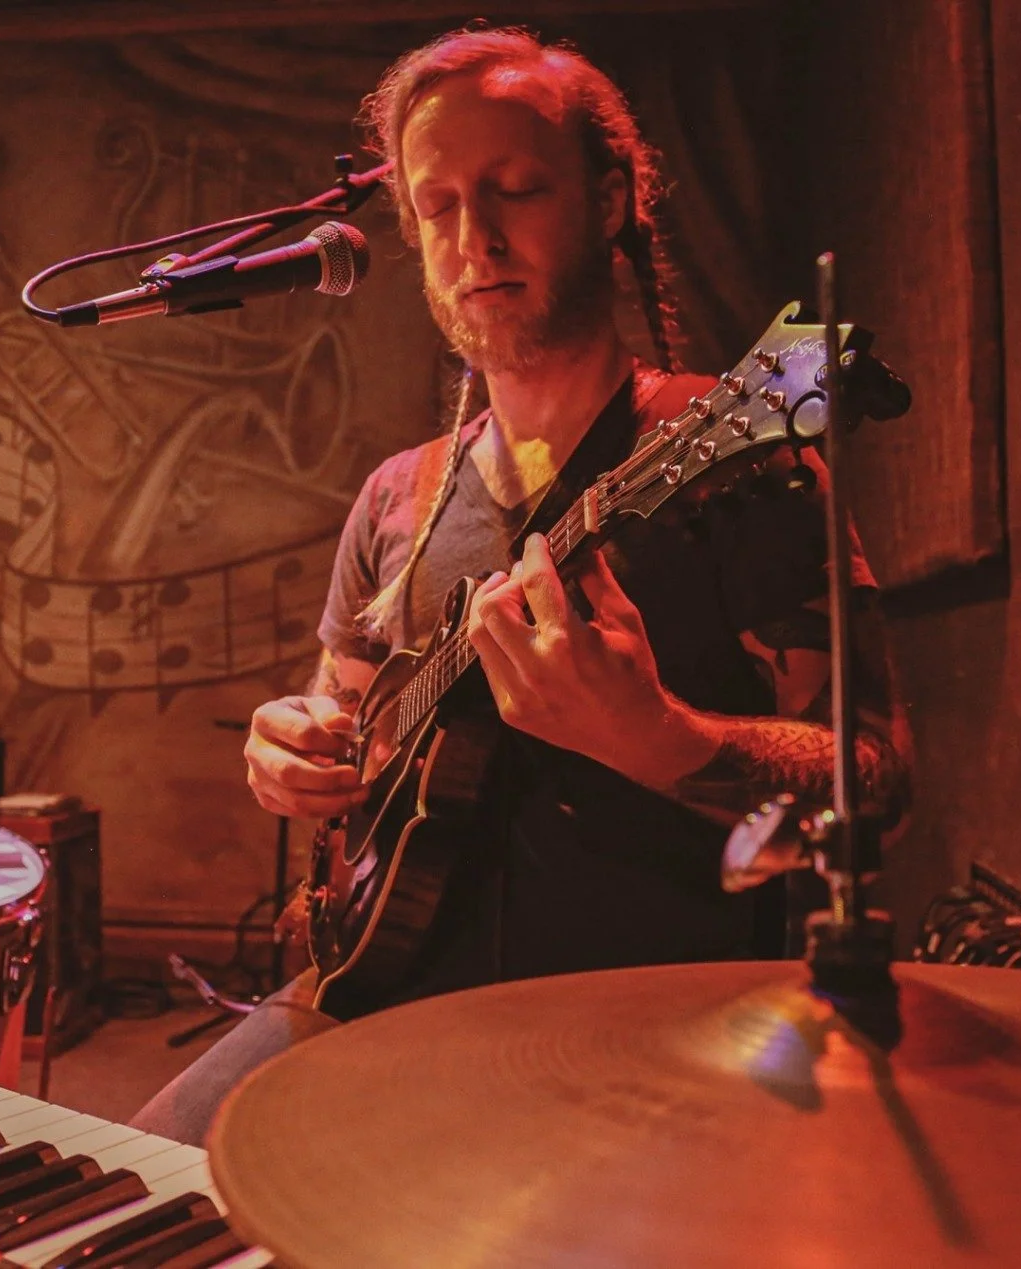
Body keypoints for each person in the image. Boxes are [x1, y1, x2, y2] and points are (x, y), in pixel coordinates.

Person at [131, 25, 910, 1145]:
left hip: (649, 1032)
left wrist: (656, 735)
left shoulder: (741, 457)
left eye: (514, 189)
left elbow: (872, 780)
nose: (472, 238)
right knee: (147, 1180)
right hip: (374, 993)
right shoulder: (397, 497)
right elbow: (344, 721)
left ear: (607, 202)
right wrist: (289, 752)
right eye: (437, 205)